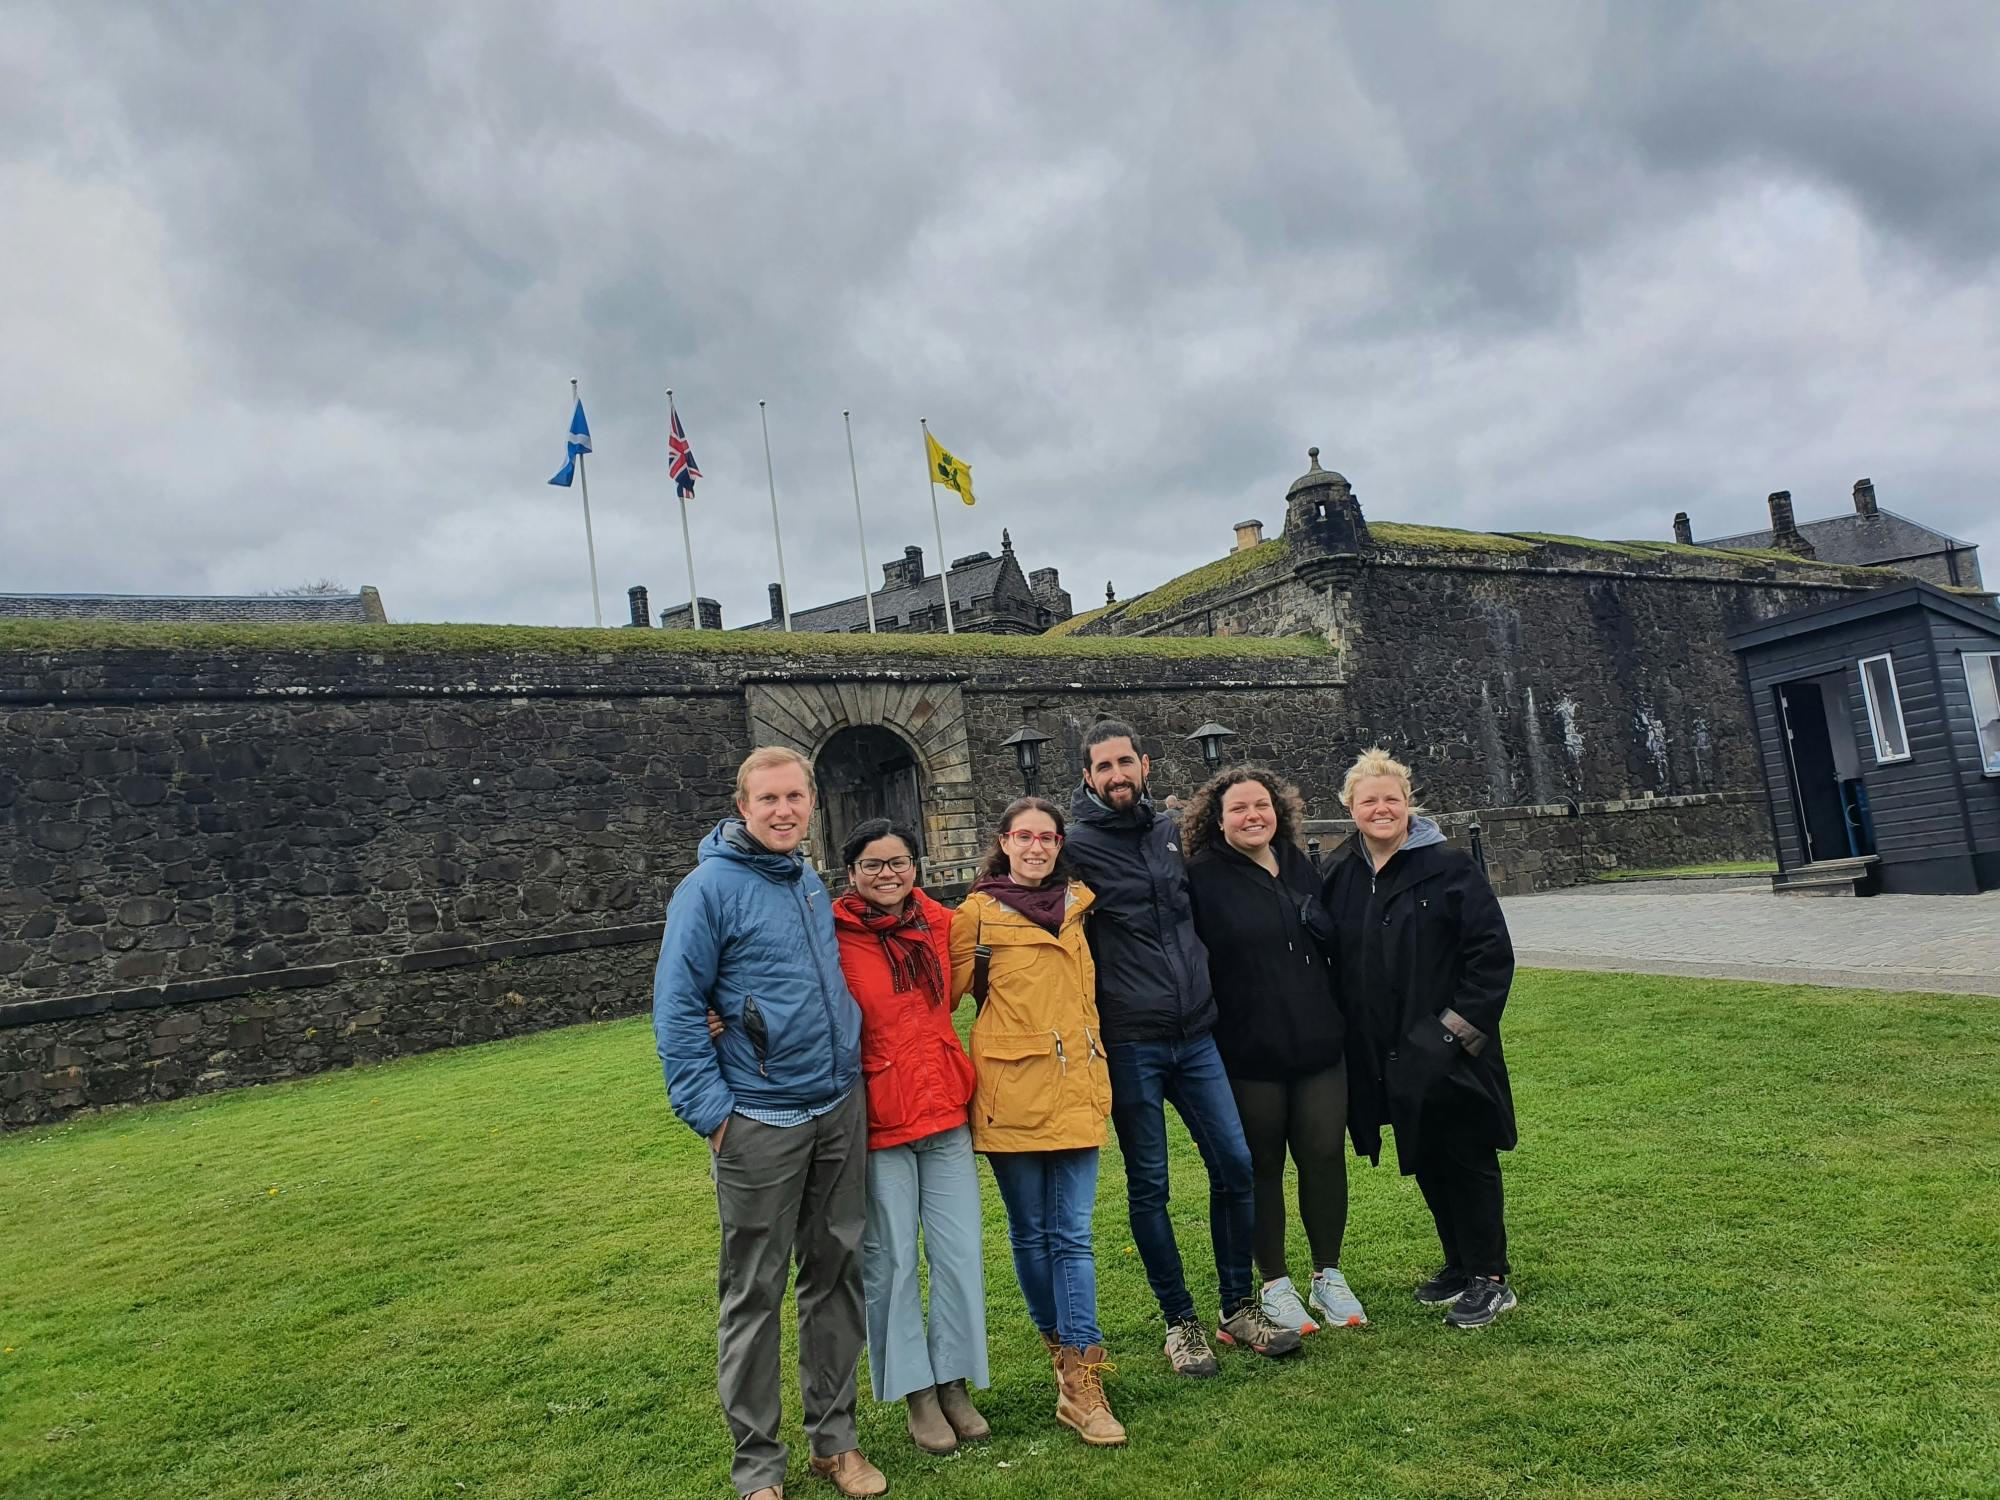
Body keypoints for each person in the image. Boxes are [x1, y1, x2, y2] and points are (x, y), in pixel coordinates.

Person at [652, 746, 886, 1500]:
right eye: (769, 800)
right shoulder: (707, 889)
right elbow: (678, 1008)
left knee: (835, 1276)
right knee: (752, 1294)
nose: (784, 811)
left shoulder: (809, 884)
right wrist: (713, 1116)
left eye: (795, 797)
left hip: (836, 1106)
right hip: (758, 1117)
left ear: (811, 801)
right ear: (742, 806)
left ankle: (835, 1440)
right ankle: (757, 1465)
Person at [1064, 721, 1301, 1375]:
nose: (1116, 775)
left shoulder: (1174, 833)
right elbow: (1022, 890)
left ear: (1143, 765)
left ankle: (1235, 1307)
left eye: (1124, 763)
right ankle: (1180, 1323)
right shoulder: (1076, 847)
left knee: (1234, 1164)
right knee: (1150, 1187)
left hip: (1197, 1033)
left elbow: (1240, 871)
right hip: (1131, 1038)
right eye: (1102, 767)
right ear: (1087, 777)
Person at [1320, 746, 1520, 1330]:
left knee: (1467, 1150)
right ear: (1350, 808)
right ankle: (1458, 1264)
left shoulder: (1449, 868)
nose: (1381, 809)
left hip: (1451, 1042)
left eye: (1391, 798)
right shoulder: (1342, 871)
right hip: (1388, 1048)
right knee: (1428, 1151)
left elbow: (1490, 957)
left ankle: (1490, 1276)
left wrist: (1453, 1033)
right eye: (1368, 800)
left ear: (1409, 802)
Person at [951, 796, 1126, 1448]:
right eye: (1023, 836)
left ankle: (1083, 1379)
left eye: (1047, 837)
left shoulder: (1080, 907)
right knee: (1031, 1234)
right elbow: (933, 999)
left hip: (1077, 1088)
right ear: (1003, 842)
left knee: (1072, 1234)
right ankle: (1062, 1355)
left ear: (1058, 844)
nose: (1035, 847)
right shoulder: (973, 917)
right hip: (1012, 1095)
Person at [1183, 765, 1368, 1335]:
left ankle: (1327, 1274)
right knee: (1262, 1167)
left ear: (1277, 810)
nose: (1251, 816)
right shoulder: (1201, 878)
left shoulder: (1298, 864)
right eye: (1238, 809)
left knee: (1322, 1157)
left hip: (1316, 1040)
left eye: (1260, 805)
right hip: (1249, 1048)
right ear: (1218, 818)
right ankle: (1275, 1281)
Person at [832, 818, 990, 1456]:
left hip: (944, 1107)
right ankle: (917, 1393)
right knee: (891, 1261)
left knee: (958, 1255)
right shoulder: (832, 935)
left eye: (897, 862)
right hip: (880, 1118)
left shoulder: (944, 925)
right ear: (851, 874)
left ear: (915, 866)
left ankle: (952, 1380)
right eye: (873, 864)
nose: (887, 874)